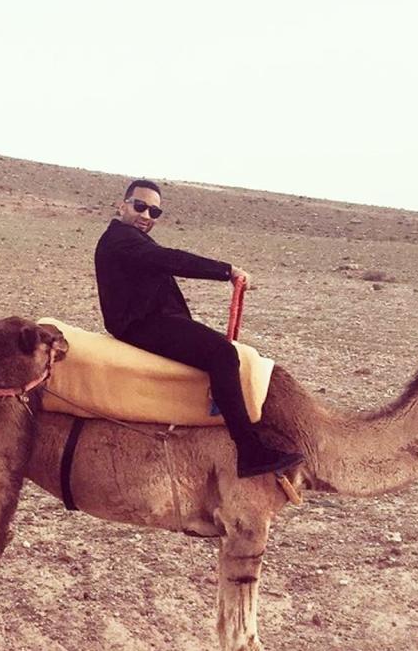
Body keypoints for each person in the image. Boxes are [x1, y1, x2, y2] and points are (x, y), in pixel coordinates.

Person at [94, 179, 301, 479]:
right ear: (122, 205)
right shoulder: (120, 239)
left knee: (223, 352)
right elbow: (169, 260)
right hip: (141, 326)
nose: (146, 216)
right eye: (140, 207)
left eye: (155, 212)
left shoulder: (131, 239)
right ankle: (249, 451)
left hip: (152, 320)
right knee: (222, 354)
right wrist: (225, 271)